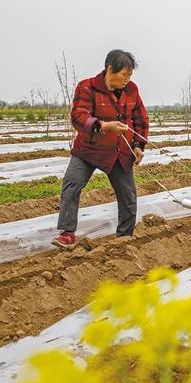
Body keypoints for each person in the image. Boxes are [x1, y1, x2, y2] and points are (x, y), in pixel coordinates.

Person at [52, 49, 149, 248]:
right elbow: (79, 116)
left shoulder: (131, 90)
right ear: (110, 69)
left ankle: (124, 238)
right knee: (72, 184)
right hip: (89, 149)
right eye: (124, 75)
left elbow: (140, 118)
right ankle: (67, 233)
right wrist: (104, 126)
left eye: (130, 76)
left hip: (119, 151)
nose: (126, 80)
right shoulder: (87, 87)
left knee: (128, 196)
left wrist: (139, 146)